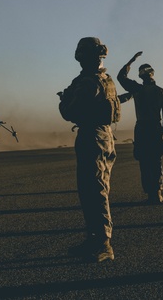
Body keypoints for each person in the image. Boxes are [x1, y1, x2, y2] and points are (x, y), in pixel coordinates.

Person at [58, 37, 121, 262]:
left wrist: (63, 100)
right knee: (95, 187)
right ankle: (95, 239)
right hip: (105, 136)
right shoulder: (107, 79)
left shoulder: (88, 82)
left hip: (92, 137)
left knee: (94, 190)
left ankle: (104, 243)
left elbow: (69, 111)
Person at [116, 52, 163, 204]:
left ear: (141, 76)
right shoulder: (162, 92)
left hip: (142, 128)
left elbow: (121, 77)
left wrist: (131, 60)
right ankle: (157, 193)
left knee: (144, 161)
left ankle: (151, 193)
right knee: (156, 160)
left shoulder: (136, 89)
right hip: (156, 128)